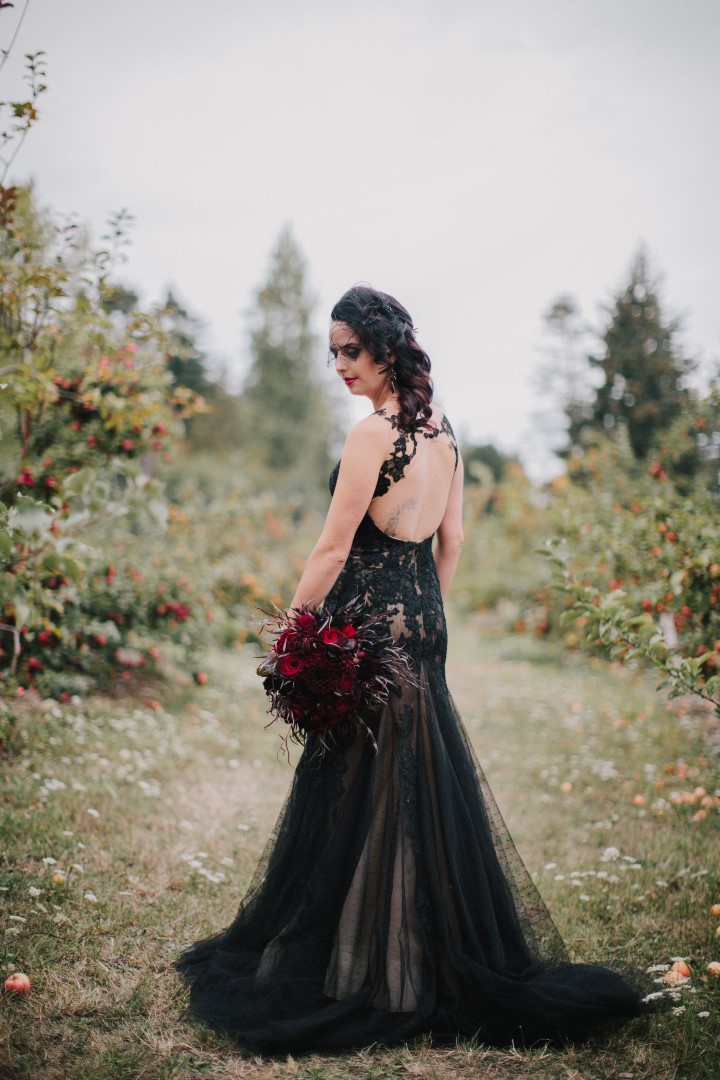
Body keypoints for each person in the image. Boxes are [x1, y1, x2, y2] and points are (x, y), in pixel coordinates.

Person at [174, 285, 661, 1054]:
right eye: (332, 352)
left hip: (371, 622)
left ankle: (373, 971)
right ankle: (404, 954)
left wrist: (292, 632)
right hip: (424, 620)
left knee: (362, 788)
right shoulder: (447, 433)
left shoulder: (374, 434)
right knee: (414, 787)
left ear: (386, 349)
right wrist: (428, 621)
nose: (340, 366)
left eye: (350, 351)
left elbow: (333, 549)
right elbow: (454, 542)